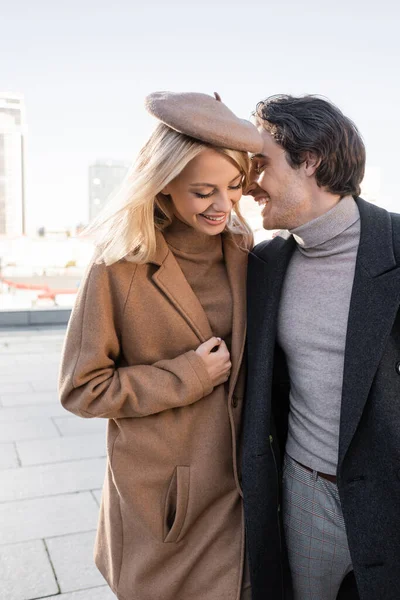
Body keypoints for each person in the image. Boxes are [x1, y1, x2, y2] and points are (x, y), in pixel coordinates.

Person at [58, 91, 263, 600]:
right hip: (166, 500)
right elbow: (81, 389)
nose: (223, 205)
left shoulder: (242, 249)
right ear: (164, 184)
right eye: (204, 192)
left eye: (234, 186)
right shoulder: (117, 266)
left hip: (239, 487)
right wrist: (187, 376)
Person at [242, 94, 400, 600]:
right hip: (304, 496)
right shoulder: (265, 264)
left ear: (309, 160)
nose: (247, 185)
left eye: (260, 164)